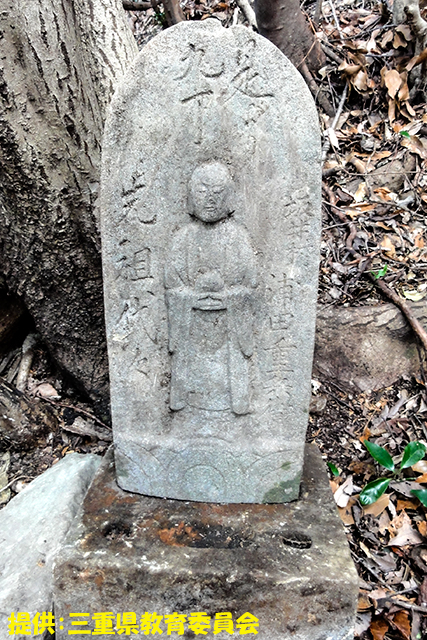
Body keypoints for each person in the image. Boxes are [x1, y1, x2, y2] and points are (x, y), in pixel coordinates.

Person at [164, 162, 257, 415]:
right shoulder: (182, 237)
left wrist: (230, 298)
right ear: (191, 196)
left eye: (217, 192)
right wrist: (190, 298)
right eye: (202, 191)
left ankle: (234, 406)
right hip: (191, 323)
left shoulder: (238, 237)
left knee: (227, 377)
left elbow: (250, 285)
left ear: (229, 197)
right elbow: (172, 286)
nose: (210, 199)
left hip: (229, 325)